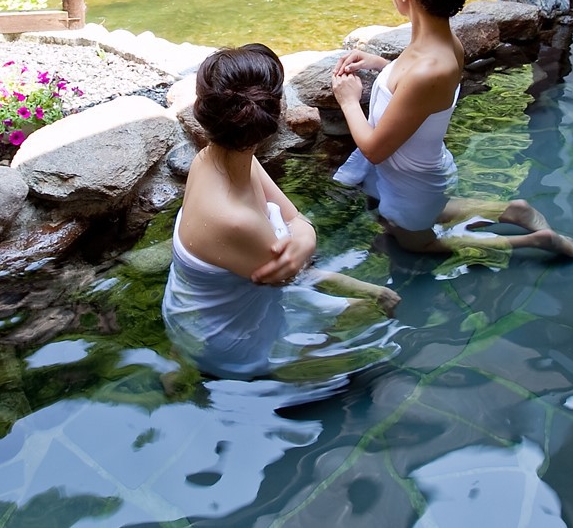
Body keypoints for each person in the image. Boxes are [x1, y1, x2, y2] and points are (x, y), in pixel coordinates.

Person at [331, 0, 573, 259]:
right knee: (424, 212)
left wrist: (349, 101)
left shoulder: (428, 68)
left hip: (414, 181)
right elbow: (415, 88)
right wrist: (381, 66)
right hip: (420, 171)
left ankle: (535, 243)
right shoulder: (443, 43)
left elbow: (375, 150)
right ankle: (514, 211)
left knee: (419, 245)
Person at [163, 44, 399, 380]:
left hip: (193, 310)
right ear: (271, 112)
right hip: (225, 339)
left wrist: (306, 239)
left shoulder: (216, 158)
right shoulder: (234, 219)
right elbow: (291, 275)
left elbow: (295, 224)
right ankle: (210, 368)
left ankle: (179, 364)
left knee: (371, 300)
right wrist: (360, 294)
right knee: (375, 320)